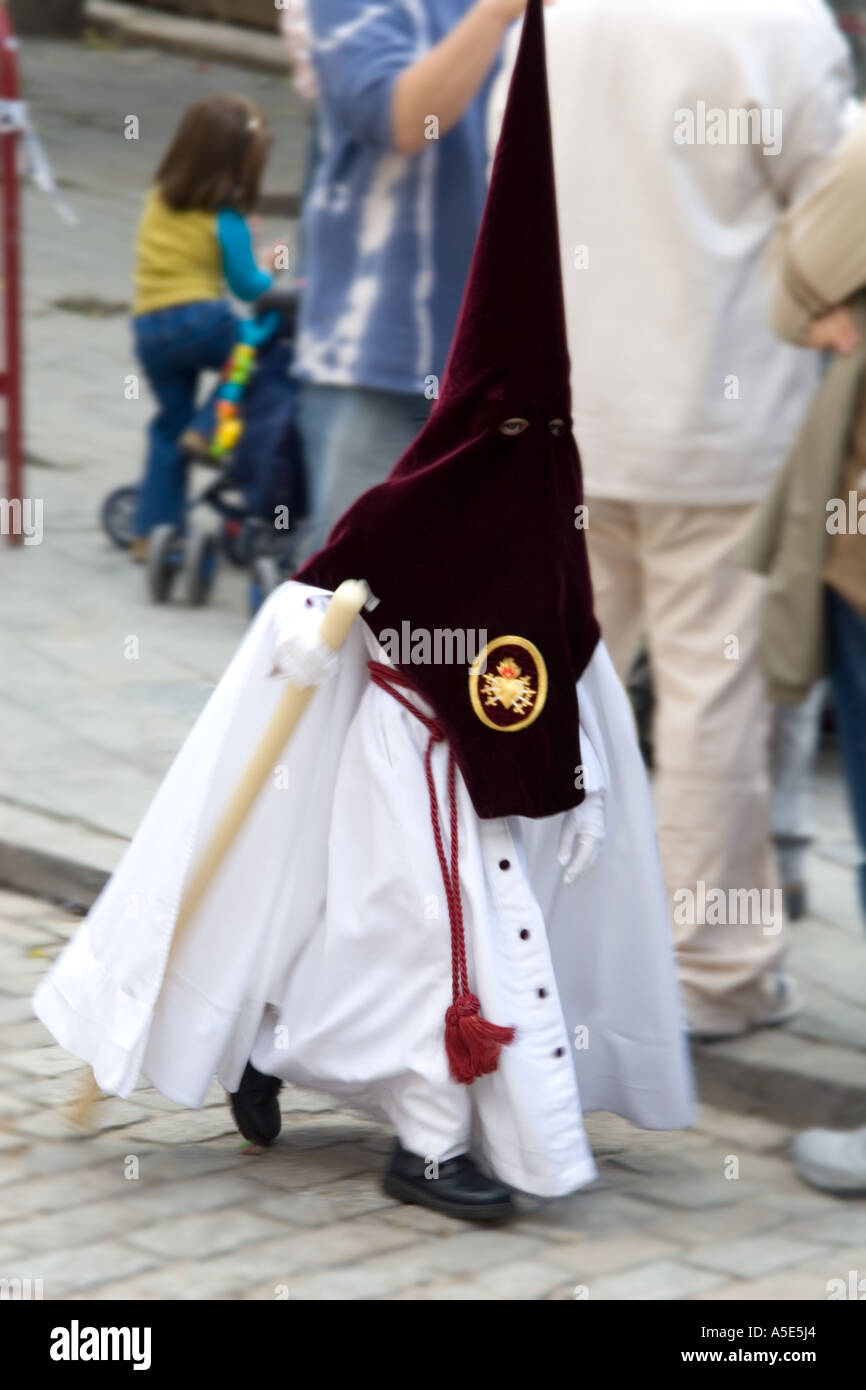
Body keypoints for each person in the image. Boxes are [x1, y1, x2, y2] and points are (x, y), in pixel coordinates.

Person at [34, 0, 693, 1223]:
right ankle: (419, 1115)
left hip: (498, 476)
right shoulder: (362, 8)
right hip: (377, 386)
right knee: (388, 856)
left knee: (435, 860)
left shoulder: (538, 434)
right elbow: (404, 114)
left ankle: (281, 1036)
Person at [489, 0, 854, 1038]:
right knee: (712, 706)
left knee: (543, 685)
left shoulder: (552, 16)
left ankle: (517, 931)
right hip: (722, 424)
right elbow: (831, 221)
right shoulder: (777, 26)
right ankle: (709, 969)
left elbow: (500, 190)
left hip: (568, 410)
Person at [293, 0, 540, 557]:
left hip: (509, 368)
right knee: (351, 610)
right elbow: (401, 118)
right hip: (384, 360)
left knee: (478, 623)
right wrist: (495, 13)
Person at [129, 95, 279, 560]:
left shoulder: (156, 198)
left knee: (167, 425)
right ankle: (211, 424)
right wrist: (265, 262)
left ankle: (150, 532)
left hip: (150, 330)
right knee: (255, 354)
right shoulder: (226, 220)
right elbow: (248, 289)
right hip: (201, 321)